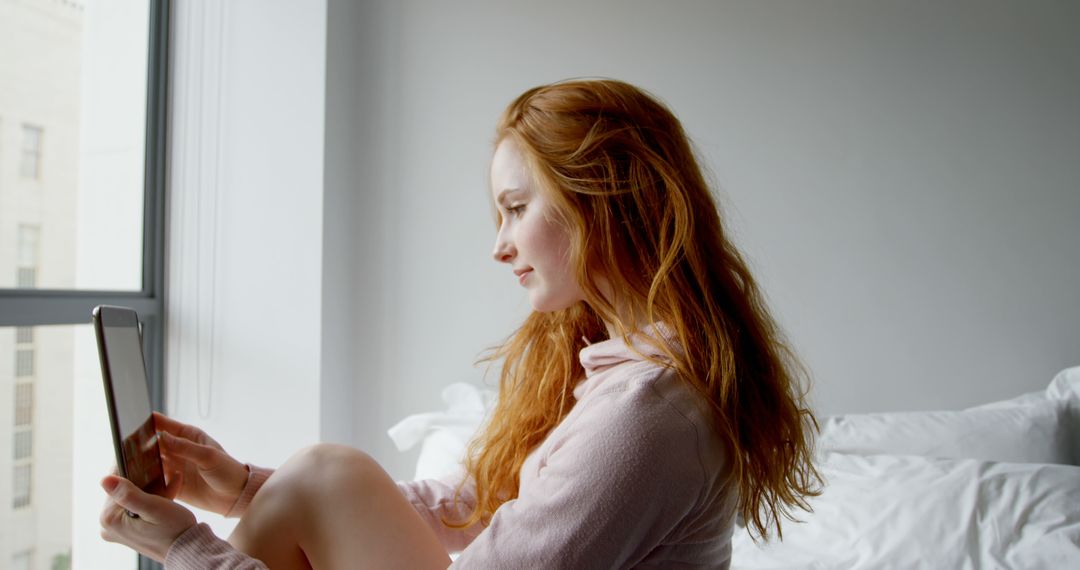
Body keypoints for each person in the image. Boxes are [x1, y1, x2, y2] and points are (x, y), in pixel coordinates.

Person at [99, 78, 822, 569]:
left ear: (599, 200)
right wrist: (241, 489)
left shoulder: (650, 412)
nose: (499, 244)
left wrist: (193, 547)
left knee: (329, 473)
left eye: (515, 208)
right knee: (325, 475)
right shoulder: (617, 371)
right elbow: (472, 506)